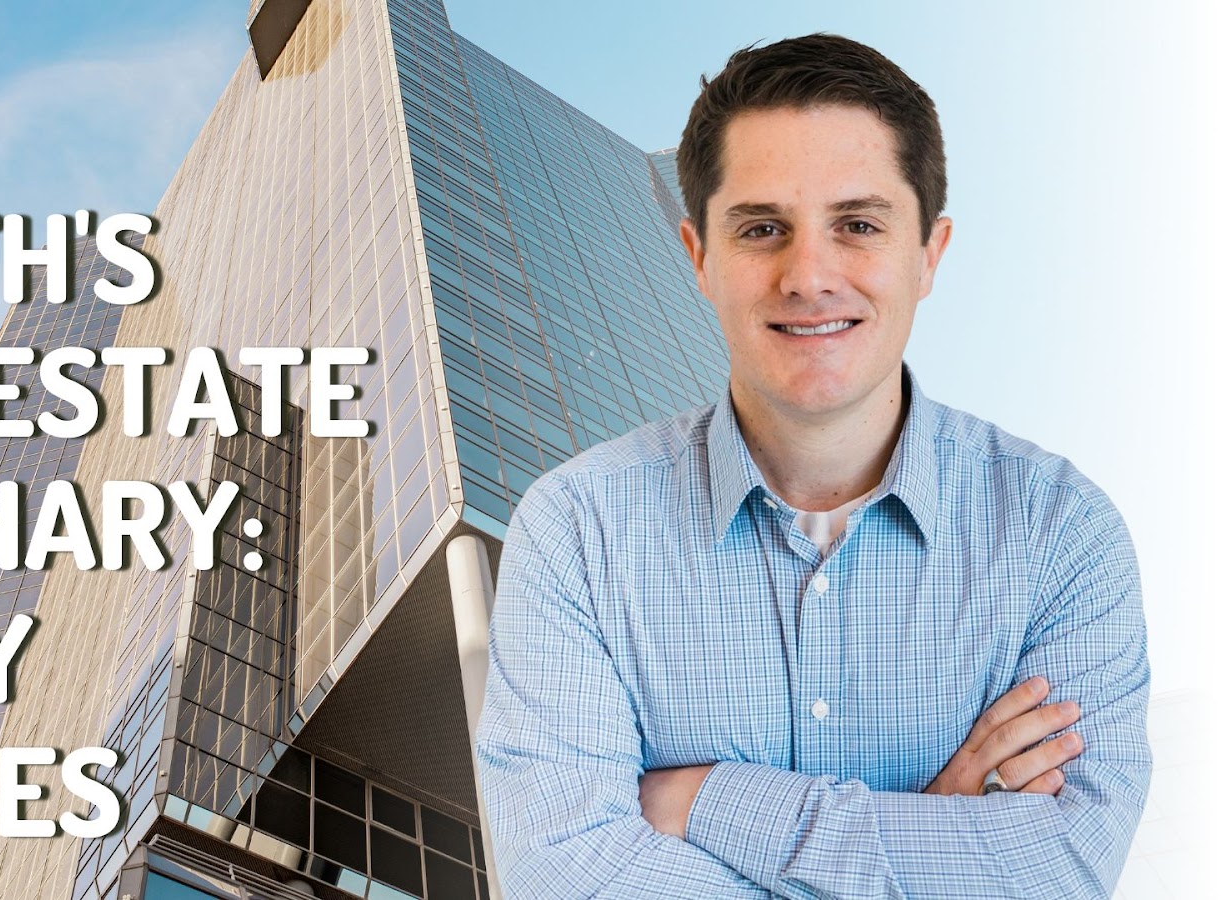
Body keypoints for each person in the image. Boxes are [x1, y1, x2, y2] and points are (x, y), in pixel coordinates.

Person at [475, 34, 1150, 899]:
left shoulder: (1062, 535)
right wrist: (938, 819)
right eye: (763, 229)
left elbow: (1061, 867)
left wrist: (707, 800)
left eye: (858, 225)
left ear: (929, 254)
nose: (810, 275)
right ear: (699, 259)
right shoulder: (578, 530)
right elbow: (562, 871)